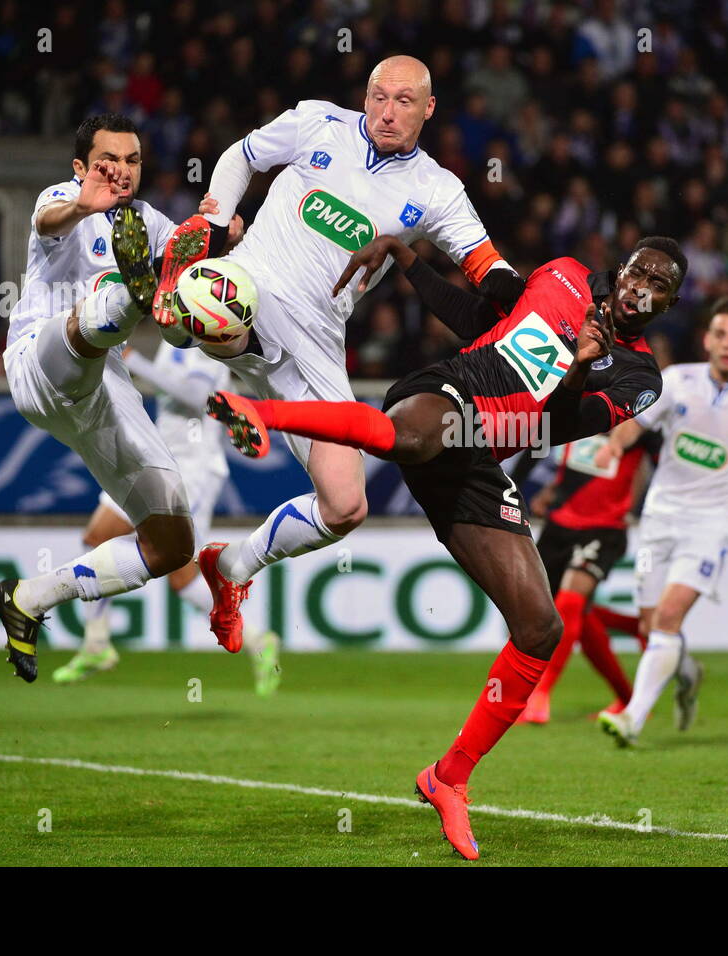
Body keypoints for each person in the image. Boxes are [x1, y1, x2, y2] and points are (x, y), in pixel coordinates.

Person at [207, 232, 685, 859]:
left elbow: (553, 427)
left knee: (540, 628)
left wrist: (573, 370)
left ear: (668, 304)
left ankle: (449, 777)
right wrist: (408, 258)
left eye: (658, 287)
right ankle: (261, 412)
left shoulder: (639, 377)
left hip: (479, 455)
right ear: (618, 270)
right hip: (446, 391)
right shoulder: (561, 274)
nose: (641, 290)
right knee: (410, 439)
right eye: (637, 273)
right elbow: (477, 316)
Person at [160, 55, 514, 653]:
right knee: (219, 305)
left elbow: (488, 269)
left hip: (319, 343)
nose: (387, 111)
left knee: (347, 505)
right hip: (250, 286)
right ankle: (183, 297)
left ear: (428, 109)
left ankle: (230, 569)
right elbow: (239, 157)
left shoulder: (436, 189)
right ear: (365, 94)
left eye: (404, 101)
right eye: (379, 96)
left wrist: (525, 294)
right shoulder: (317, 123)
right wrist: (216, 228)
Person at [0, 112, 236, 681]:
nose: (120, 172)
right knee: (92, 317)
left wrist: (229, 237)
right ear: (80, 167)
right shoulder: (62, 199)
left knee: (173, 541)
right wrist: (83, 203)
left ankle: (28, 598)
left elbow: (196, 243)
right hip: (39, 362)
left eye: (131, 161)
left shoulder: (148, 221)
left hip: (103, 388)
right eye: (107, 161)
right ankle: (135, 297)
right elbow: (49, 221)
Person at [597, 297, 728, 746]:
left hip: (715, 523)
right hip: (660, 516)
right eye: (720, 334)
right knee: (651, 627)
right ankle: (688, 675)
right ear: (707, 340)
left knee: (668, 616)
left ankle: (633, 719)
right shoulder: (676, 380)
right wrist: (614, 444)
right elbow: (637, 423)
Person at [51, 335, 281, 693]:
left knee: (183, 578)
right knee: (97, 536)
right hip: (155, 457)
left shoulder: (210, 339)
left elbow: (197, 398)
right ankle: (96, 644)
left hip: (193, 470)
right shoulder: (173, 337)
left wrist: (133, 361)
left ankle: (257, 640)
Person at [513, 428, 657, 725]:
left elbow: (667, 464)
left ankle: (540, 695)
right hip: (559, 526)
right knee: (557, 614)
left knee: (570, 601)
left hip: (605, 529)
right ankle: (628, 695)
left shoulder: (638, 424)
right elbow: (539, 443)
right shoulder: (578, 409)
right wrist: (516, 491)